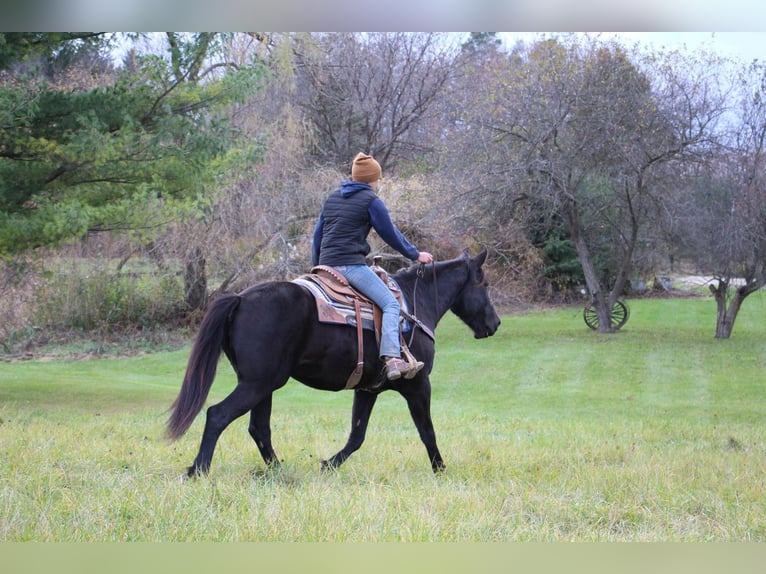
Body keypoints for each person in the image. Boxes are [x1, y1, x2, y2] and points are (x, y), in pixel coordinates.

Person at [312, 152, 434, 381]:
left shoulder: (333, 198)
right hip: (349, 266)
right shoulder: (371, 200)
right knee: (390, 303)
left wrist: (316, 267)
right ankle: (391, 358)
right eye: (377, 178)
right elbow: (391, 234)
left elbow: (317, 237)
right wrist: (415, 254)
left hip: (325, 267)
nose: (378, 182)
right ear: (371, 179)